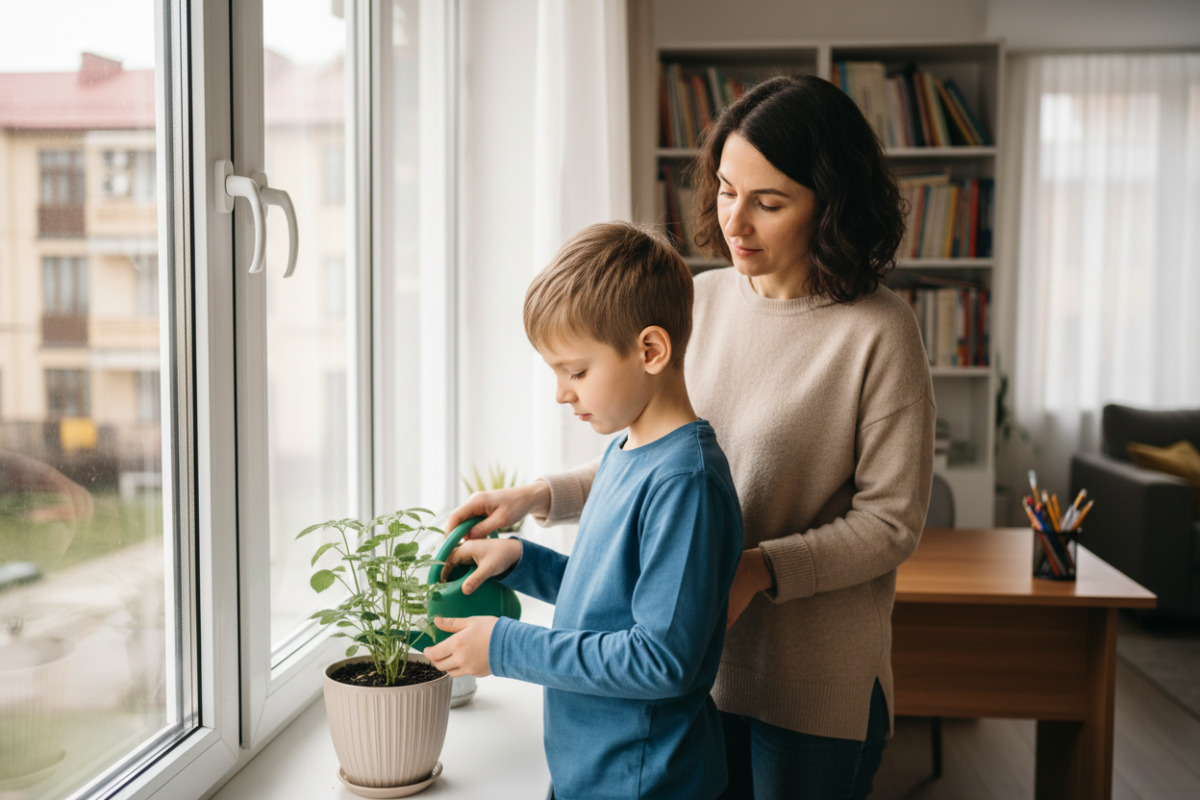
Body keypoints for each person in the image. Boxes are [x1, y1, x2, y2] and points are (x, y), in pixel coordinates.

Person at [446, 74, 935, 800]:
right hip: (692, 679)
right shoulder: (697, 300)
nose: (735, 221)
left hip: (808, 682)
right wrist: (540, 498)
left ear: (830, 205)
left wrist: (758, 568)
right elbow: (652, 460)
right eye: (728, 191)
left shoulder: (879, 331)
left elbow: (891, 524)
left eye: (769, 203)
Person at [424, 221, 744, 800]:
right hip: (592, 774)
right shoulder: (625, 451)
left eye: (576, 371)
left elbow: (659, 659)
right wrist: (521, 560)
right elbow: (613, 601)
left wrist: (504, 647)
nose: (562, 393)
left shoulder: (685, 485)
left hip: (646, 783)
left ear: (651, 351)